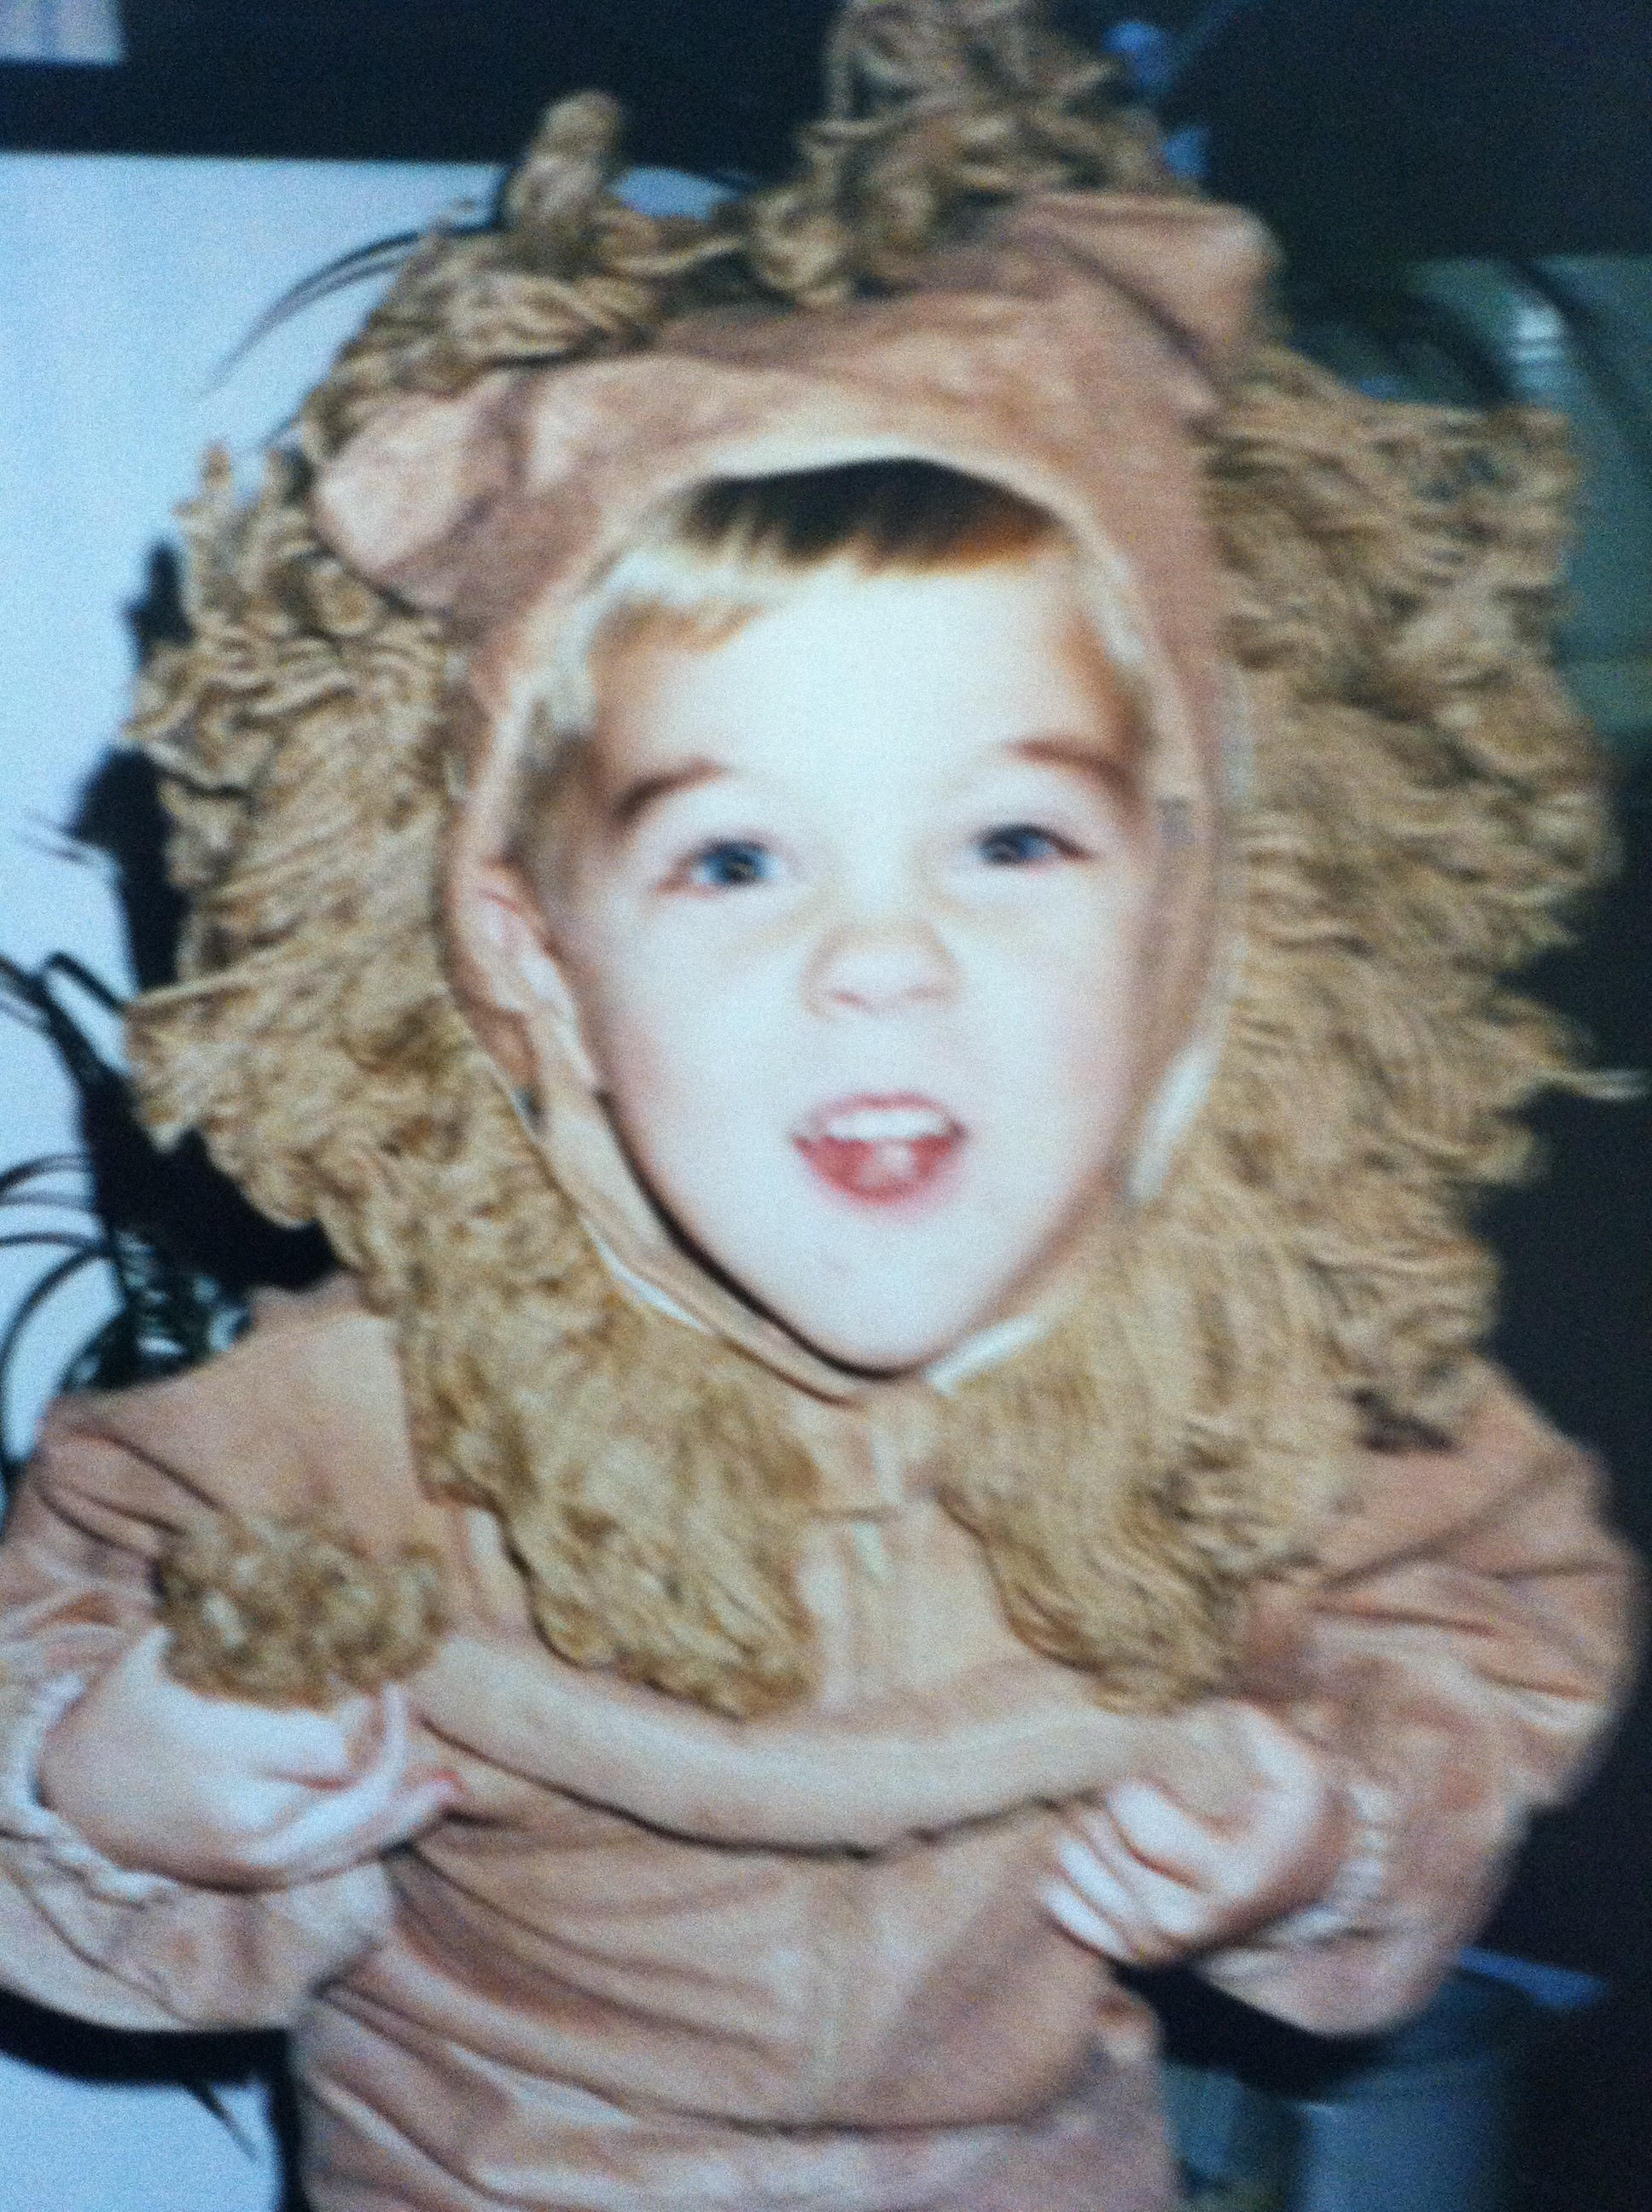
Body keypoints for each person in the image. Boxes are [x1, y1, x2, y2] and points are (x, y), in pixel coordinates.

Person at [0, 4, 1637, 2206]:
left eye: (1013, 843)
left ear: (1199, 918)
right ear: (529, 952)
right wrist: (124, 1780)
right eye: (740, 858)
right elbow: (67, 1620)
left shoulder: (1280, 1402)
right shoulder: (367, 1420)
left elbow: (1497, 1605)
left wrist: (1333, 1819)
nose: (885, 959)